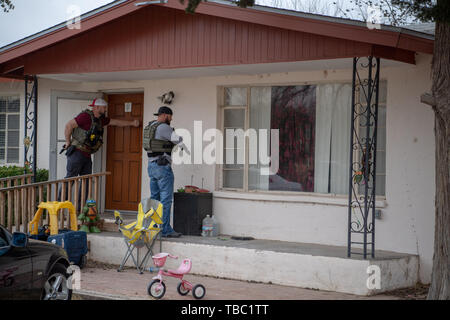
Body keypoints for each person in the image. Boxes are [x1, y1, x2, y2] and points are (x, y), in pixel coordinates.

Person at [63, 98, 139, 178]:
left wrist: (132, 123)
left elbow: (116, 122)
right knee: (70, 180)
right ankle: (62, 191)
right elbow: (69, 125)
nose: (106, 109)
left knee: (86, 183)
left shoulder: (101, 120)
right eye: (104, 107)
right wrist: (67, 142)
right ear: (97, 107)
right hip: (76, 153)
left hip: (87, 155)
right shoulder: (85, 116)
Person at [145, 106, 185, 238]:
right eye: (171, 116)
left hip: (151, 166)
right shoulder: (163, 127)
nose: (171, 119)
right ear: (166, 115)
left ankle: (155, 227)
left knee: (155, 199)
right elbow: (178, 140)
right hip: (162, 167)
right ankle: (166, 229)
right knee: (166, 201)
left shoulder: (151, 126)